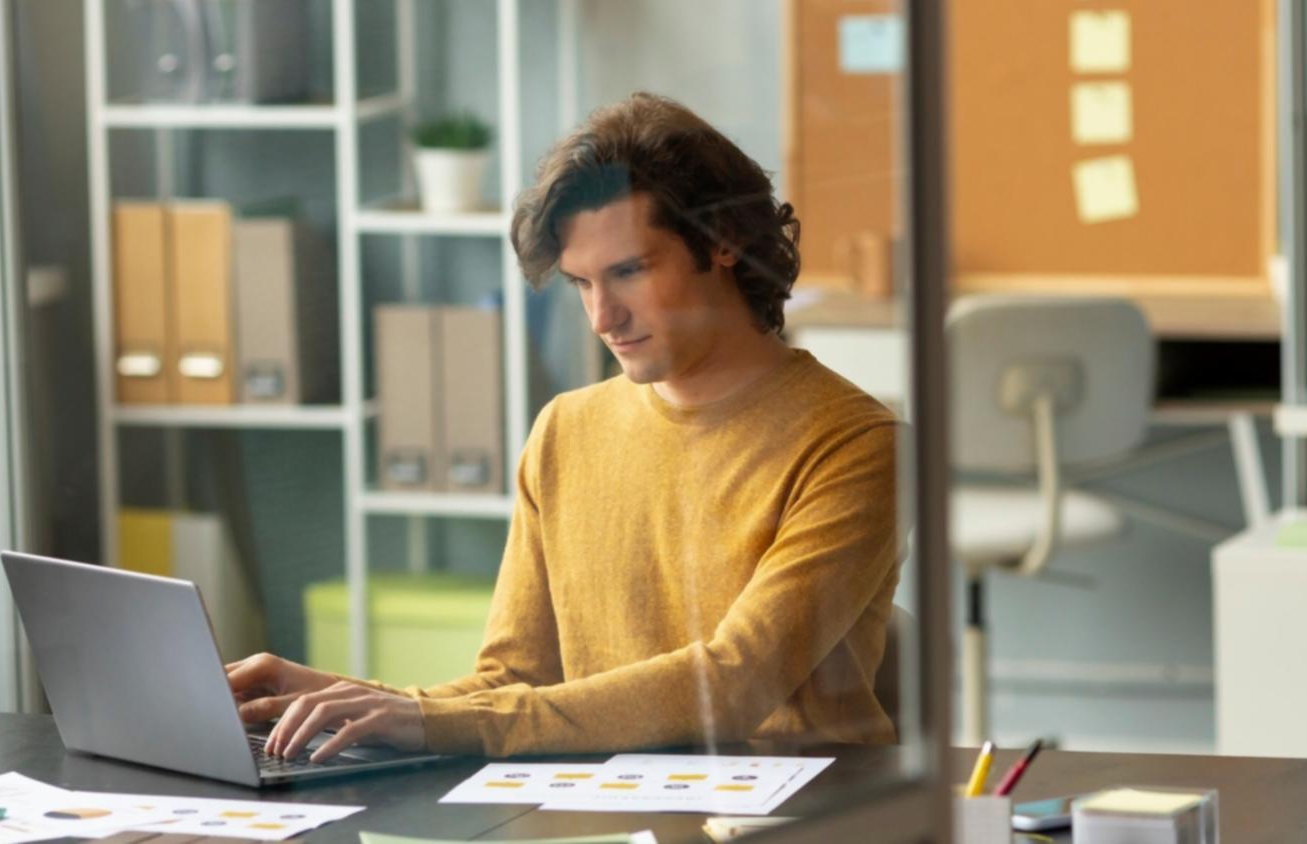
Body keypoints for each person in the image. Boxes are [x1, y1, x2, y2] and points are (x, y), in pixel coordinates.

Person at [229, 92, 901, 763]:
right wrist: (344, 700)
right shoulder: (566, 429)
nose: (603, 317)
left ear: (723, 241)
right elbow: (511, 685)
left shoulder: (856, 444)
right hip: (615, 811)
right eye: (581, 284)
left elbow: (733, 685)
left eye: (628, 272)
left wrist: (418, 720)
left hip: (798, 819)